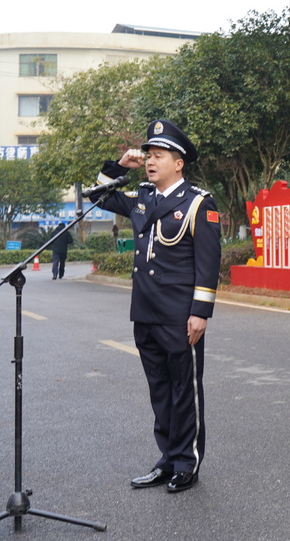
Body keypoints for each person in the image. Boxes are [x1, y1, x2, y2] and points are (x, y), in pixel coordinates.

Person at [91, 119, 221, 493]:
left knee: (185, 389)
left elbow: (207, 263)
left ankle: (187, 462)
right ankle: (167, 459)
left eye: (158, 155)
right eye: (148, 155)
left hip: (180, 316)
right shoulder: (142, 197)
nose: (150, 161)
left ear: (178, 163)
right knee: (159, 389)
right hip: (145, 313)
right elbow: (98, 196)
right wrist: (119, 166)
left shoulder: (198, 203)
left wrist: (200, 312)